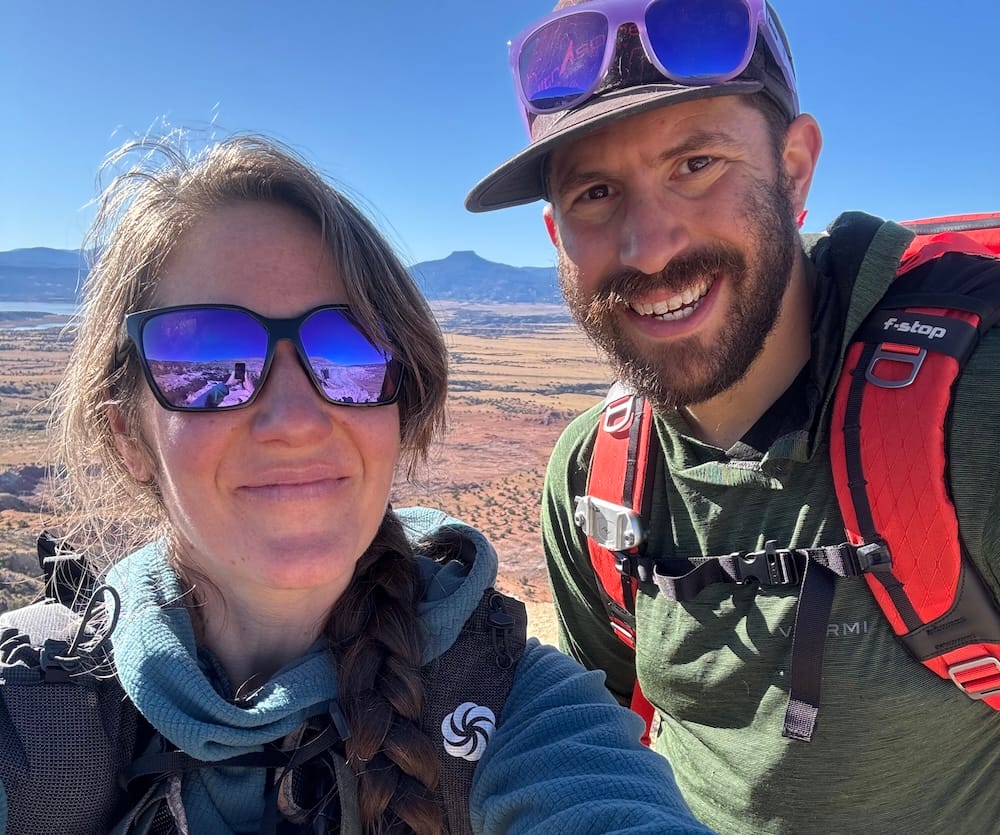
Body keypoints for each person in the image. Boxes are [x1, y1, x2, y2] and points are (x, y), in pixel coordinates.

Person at [0, 134, 715, 835]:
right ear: (129, 434)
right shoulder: (33, 708)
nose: (296, 418)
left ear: (401, 407)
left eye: (351, 351)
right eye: (208, 358)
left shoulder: (510, 705)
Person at [466, 1, 1000, 832]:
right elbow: (589, 744)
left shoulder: (972, 417)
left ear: (794, 170)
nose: (648, 245)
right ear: (556, 235)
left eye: (696, 164)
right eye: (596, 192)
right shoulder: (593, 478)